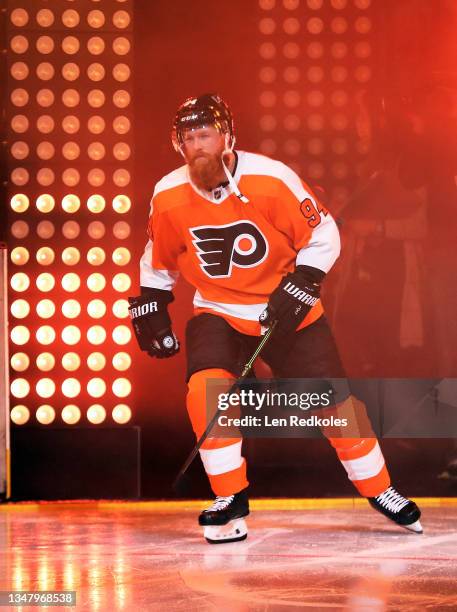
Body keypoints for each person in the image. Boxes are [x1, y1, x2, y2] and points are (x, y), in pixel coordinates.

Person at [129, 93, 422, 543]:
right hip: (218, 310)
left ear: (228, 136)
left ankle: (381, 490)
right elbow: (159, 260)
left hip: (285, 310)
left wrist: (303, 281)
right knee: (206, 391)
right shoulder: (168, 194)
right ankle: (230, 499)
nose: (198, 147)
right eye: (189, 139)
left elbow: (322, 232)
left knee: (335, 409)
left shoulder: (271, 178)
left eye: (205, 135)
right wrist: (151, 301)